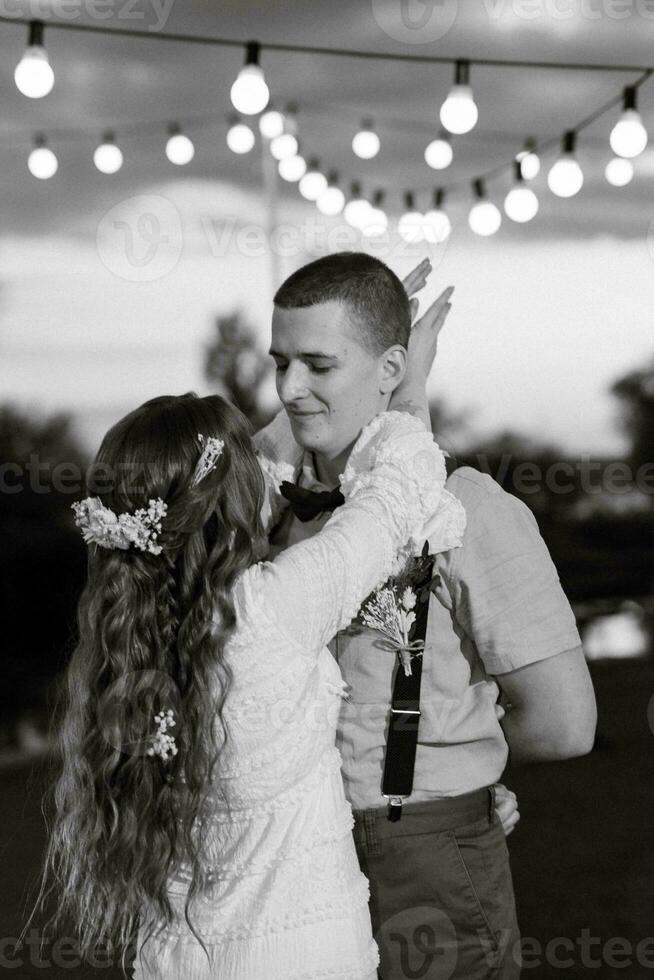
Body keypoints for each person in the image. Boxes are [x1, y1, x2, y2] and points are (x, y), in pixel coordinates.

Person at [26, 387, 469, 979]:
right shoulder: (273, 606)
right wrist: (392, 382)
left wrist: (302, 398)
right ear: (234, 494)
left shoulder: (126, 638)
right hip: (297, 958)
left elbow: (226, 461)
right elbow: (399, 491)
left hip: (177, 958)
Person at [256, 251, 598, 980]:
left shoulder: (469, 509)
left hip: (426, 856)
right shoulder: (268, 514)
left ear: (391, 369)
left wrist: (462, 768)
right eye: (279, 362)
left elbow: (565, 723)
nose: (289, 388)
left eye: (318, 363)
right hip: (291, 850)